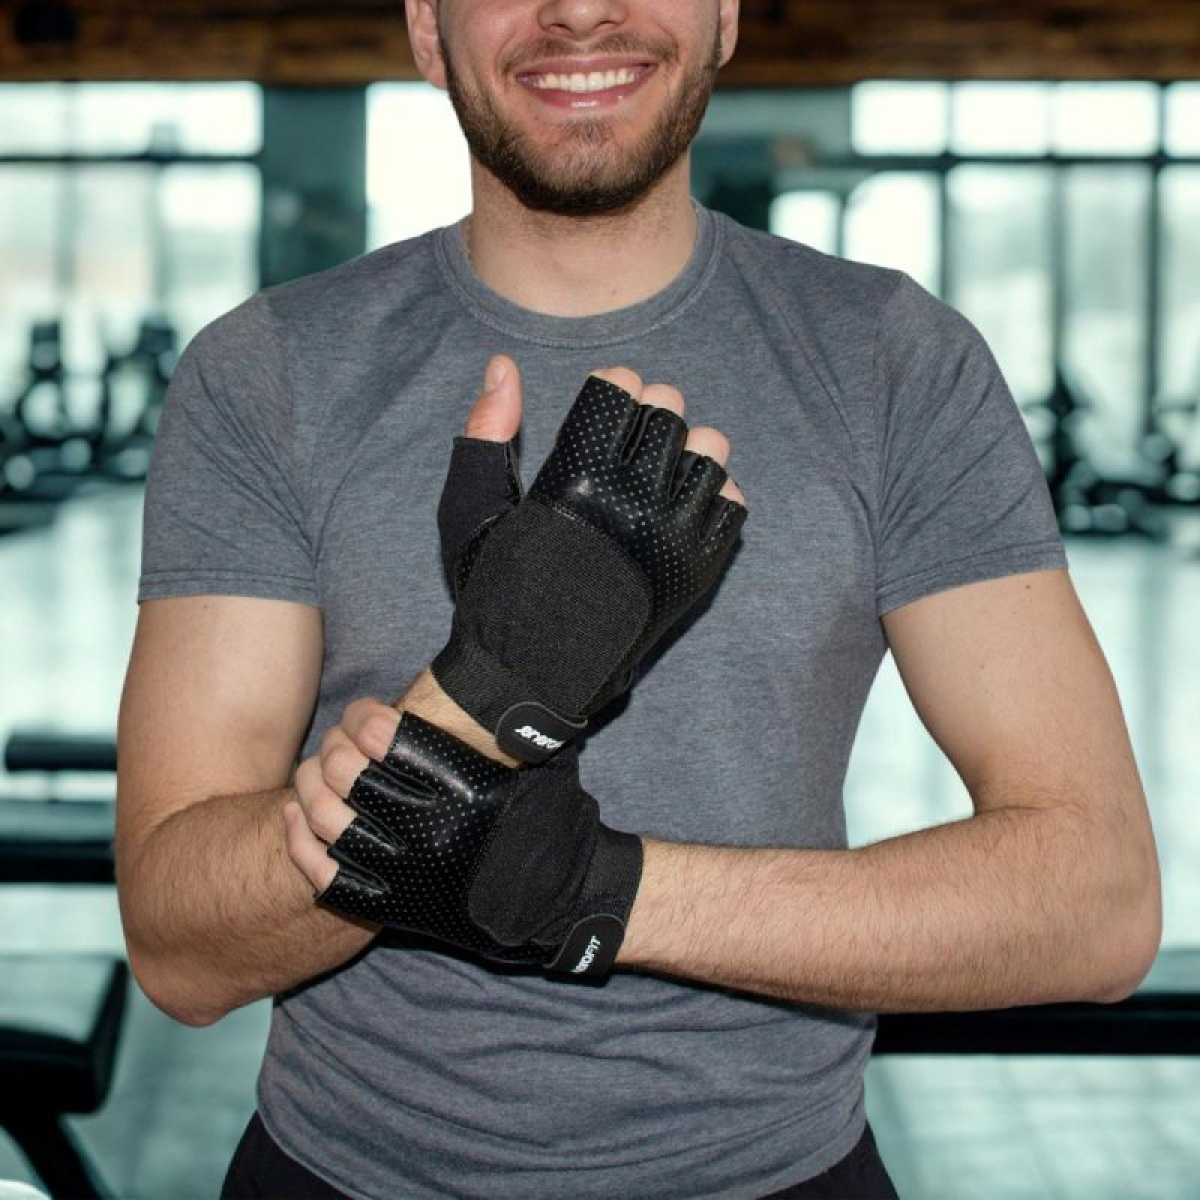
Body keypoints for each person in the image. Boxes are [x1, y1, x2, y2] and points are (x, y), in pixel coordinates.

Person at [115, 1, 1162, 1197]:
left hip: (779, 1174)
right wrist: (491, 696)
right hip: (344, 1171)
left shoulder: (893, 361)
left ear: (723, 15)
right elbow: (181, 951)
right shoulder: (267, 371)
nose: (579, 9)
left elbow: (1094, 901)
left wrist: (592, 889)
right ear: (428, 29)